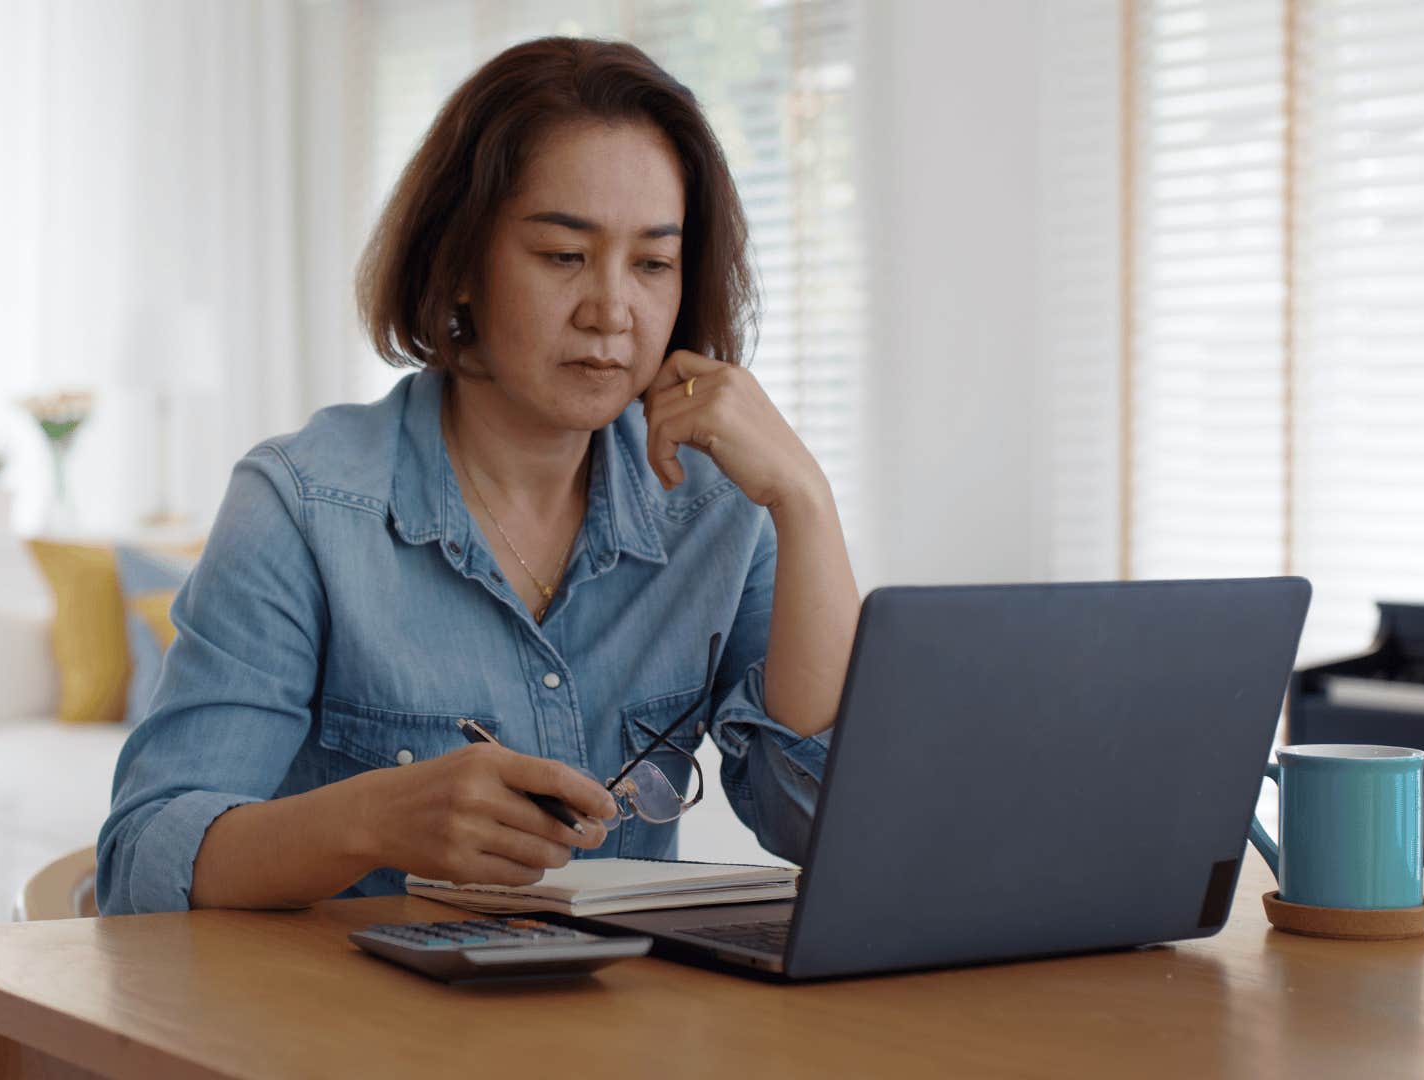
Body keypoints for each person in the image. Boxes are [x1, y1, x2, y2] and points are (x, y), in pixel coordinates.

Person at [97, 36, 860, 914]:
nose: (612, 310)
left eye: (652, 263)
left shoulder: (721, 507)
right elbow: (141, 867)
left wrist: (805, 501)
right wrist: (373, 821)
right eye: (562, 256)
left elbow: (823, 826)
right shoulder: (303, 505)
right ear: (459, 264)